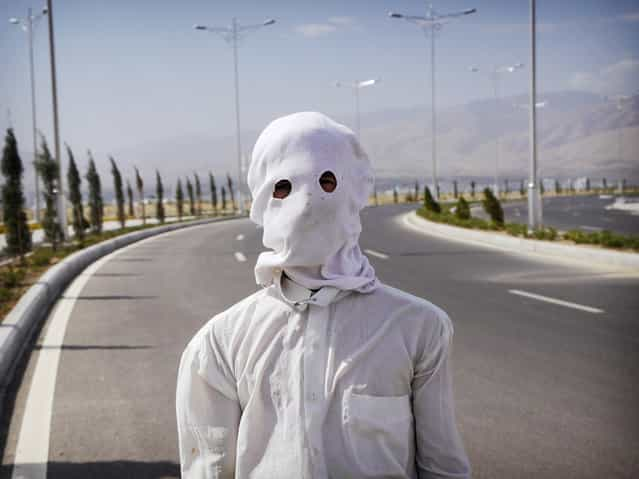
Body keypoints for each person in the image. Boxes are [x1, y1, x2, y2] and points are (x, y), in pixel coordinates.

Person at [176, 112, 471, 478]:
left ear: (354, 191)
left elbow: (443, 467)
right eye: (283, 186)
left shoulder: (419, 328)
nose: (307, 201)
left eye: (326, 181)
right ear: (262, 201)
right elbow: (209, 469)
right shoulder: (219, 344)